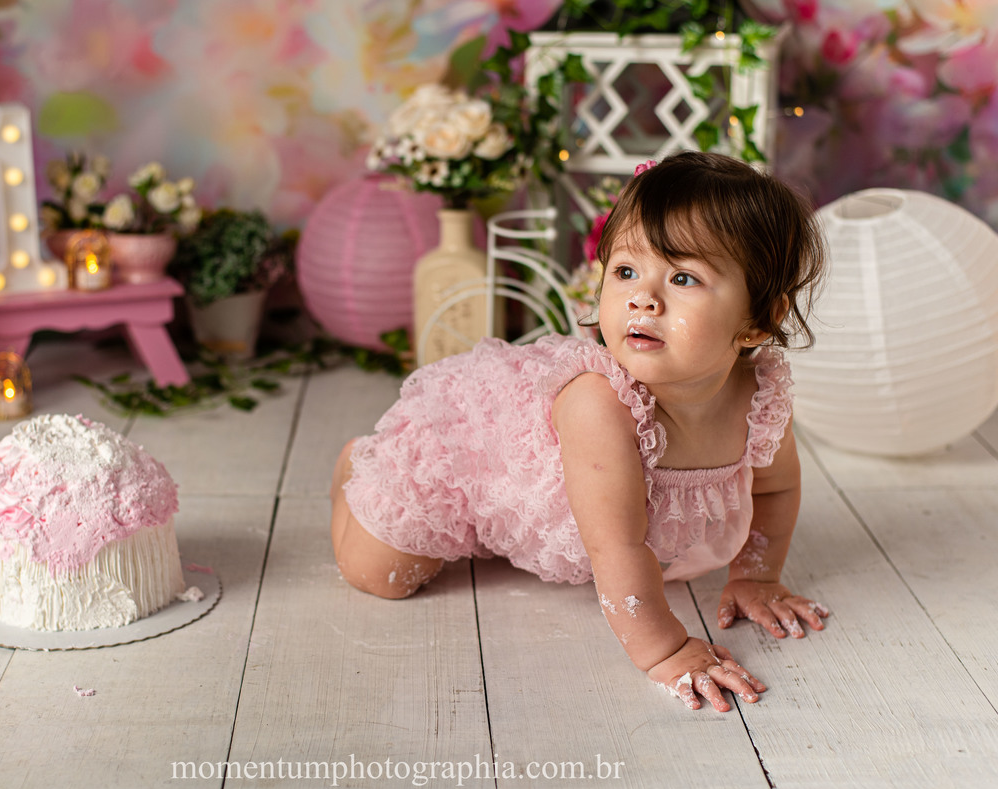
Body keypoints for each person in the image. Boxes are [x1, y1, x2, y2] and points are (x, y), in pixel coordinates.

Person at [329, 150, 830, 712]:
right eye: (625, 271)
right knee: (382, 575)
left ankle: (479, 524)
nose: (643, 297)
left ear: (758, 320)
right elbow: (616, 546)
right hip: (463, 452)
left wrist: (757, 576)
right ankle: (357, 466)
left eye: (684, 277)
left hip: (533, 486)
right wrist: (664, 651)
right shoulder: (599, 406)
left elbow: (776, 488)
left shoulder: (758, 397)